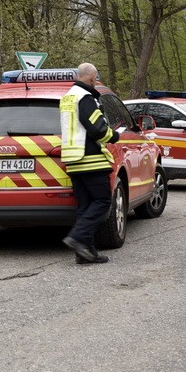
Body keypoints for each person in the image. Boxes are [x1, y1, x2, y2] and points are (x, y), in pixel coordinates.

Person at [59, 62, 122, 265]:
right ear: (92, 77)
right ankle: (77, 237)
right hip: (90, 159)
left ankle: (86, 253)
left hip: (73, 160)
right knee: (103, 201)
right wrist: (114, 136)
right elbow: (97, 129)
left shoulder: (68, 97)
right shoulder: (85, 97)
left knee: (85, 206)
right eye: (97, 77)